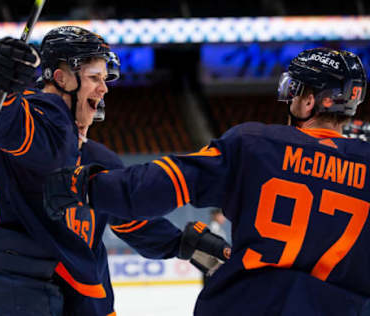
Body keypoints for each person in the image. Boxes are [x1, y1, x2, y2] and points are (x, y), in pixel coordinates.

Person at [0, 26, 230, 315]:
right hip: (19, 290)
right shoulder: (43, 123)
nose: (105, 88)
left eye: (105, 79)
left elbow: (136, 225)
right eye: (95, 78)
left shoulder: (100, 161)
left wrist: (185, 242)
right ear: (62, 78)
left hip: (73, 300)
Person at [44, 47, 370, 315]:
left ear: (309, 100)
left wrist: (84, 186)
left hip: (247, 305)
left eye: (294, 91)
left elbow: (160, 184)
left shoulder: (255, 144)